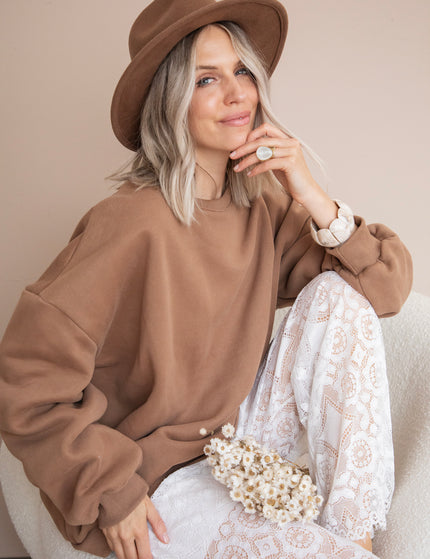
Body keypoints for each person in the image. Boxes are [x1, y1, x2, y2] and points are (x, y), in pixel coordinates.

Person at [0, 1, 412, 558]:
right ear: (170, 102)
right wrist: (111, 491)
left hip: (240, 440)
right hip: (159, 476)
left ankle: (353, 535)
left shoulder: (264, 208)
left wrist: (309, 191)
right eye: (206, 79)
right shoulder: (129, 223)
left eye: (242, 71)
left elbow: (382, 287)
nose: (238, 93)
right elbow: (26, 382)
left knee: (340, 296)